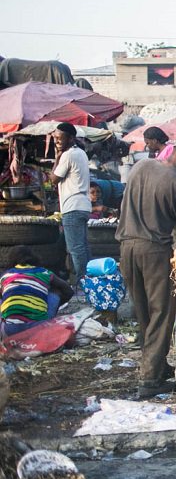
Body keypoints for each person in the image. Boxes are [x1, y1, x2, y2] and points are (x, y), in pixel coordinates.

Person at [116, 135, 176, 398]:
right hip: (154, 250)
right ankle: (150, 380)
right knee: (161, 313)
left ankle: (157, 364)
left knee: (144, 313)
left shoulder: (141, 166)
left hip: (126, 247)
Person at [48, 122, 91, 283]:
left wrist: (58, 157)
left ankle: (83, 284)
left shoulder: (68, 155)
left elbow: (53, 179)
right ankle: (89, 283)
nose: (57, 142)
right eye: (55, 139)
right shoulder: (80, 153)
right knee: (83, 247)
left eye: (60, 138)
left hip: (72, 207)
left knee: (76, 249)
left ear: (71, 138)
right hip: (83, 206)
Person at [1, 246, 74, 338]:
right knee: (54, 293)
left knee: (3, 298)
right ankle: (41, 315)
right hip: (38, 329)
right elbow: (69, 291)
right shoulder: (44, 272)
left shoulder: (6, 276)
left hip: (9, 331)